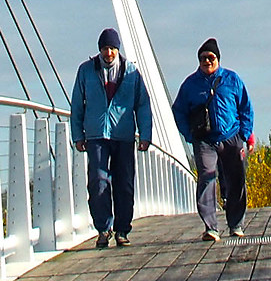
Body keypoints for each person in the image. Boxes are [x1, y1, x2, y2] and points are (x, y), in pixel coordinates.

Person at [69, 27, 154, 248]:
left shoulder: (131, 72)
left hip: (123, 135)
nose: (109, 53)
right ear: (99, 49)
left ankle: (122, 229)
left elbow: (142, 104)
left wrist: (145, 134)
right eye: (105, 48)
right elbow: (77, 104)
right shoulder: (86, 71)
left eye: (113, 49)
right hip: (96, 135)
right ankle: (103, 229)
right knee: (97, 182)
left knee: (124, 183)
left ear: (118, 50)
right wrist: (78, 135)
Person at [172, 36, 254, 239]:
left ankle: (236, 224)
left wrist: (245, 133)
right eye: (202, 58)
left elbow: (245, 107)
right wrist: (190, 135)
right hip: (205, 140)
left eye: (210, 57)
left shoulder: (232, 79)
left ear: (218, 59)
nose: (207, 61)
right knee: (207, 178)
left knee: (236, 180)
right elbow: (179, 111)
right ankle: (210, 227)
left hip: (231, 137)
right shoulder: (190, 84)